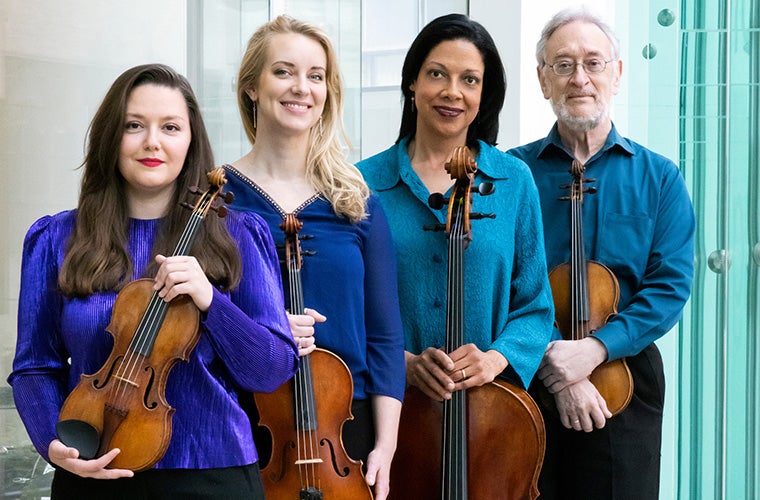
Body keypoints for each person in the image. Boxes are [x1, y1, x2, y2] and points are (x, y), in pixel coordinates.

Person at [7, 63, 299, 499]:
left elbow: (271, 369)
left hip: (214, 474)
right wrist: (54, 444)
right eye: (134, 125)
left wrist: (210, 302)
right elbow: (35, 367)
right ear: (112, 136)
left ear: (190, 141)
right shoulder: (56, 239)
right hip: (92, 467)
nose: (152, 142)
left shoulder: (238, 235)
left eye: (170, 127)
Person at [507, 7, 695, 499]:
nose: (579, 78)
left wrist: (594, 350)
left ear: (617, 73)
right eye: (563, 65)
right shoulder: (509, 173)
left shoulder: (659, 178)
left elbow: (670, 286)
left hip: (625, 376)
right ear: (543, 81)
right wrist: (557, 366)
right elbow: (499, 278)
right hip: (527, 374)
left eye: (593, 63)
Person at [224, 15, 405, 500]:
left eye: (316, 75)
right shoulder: (215, 198)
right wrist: (262, 330)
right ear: (251, 88)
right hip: (248, 420)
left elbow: (385, 336)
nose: (301, 88)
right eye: (283, 72)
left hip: (347, 426)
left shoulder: (357, 200)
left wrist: (386, 445)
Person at [358, 13, 553, 415]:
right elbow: (344, 307)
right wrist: (403, 363)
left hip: (489, 419)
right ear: (412, 82)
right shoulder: (361, 184)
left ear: (484, 94)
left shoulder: (514, 180)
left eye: (470, 80)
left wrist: (495, 358)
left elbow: (535, 307)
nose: (452, 92)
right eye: (436, 74)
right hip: (387, 413)